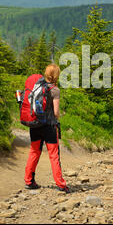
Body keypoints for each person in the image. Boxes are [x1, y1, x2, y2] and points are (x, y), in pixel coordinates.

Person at [24, 64, 70, 193]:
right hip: (49, 127)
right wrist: (60, 115)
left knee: (34, 152)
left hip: (35, 125)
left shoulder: (37, 86)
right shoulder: (55, 90)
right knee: (54, 155)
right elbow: (55, 112)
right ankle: (61, 185)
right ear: (56, 75)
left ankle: (29, 181)